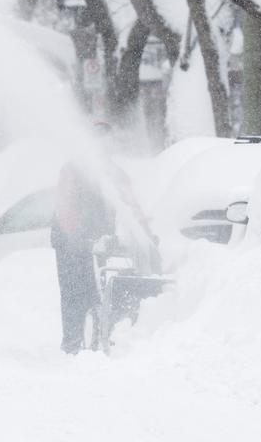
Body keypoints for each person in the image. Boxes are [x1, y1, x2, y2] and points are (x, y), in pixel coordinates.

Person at [51, 122, 156, 354]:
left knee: (99, 287)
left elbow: (132, 206)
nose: (106, 148)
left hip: (98, 240)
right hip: (69, 241)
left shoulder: (116, 174)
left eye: (109, 143)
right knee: (74, 291)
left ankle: (99, 335)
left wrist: (145, 234)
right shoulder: (72, 170)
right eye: (101, 142)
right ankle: (72, 343)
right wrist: (76, 235)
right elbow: (64, 207)